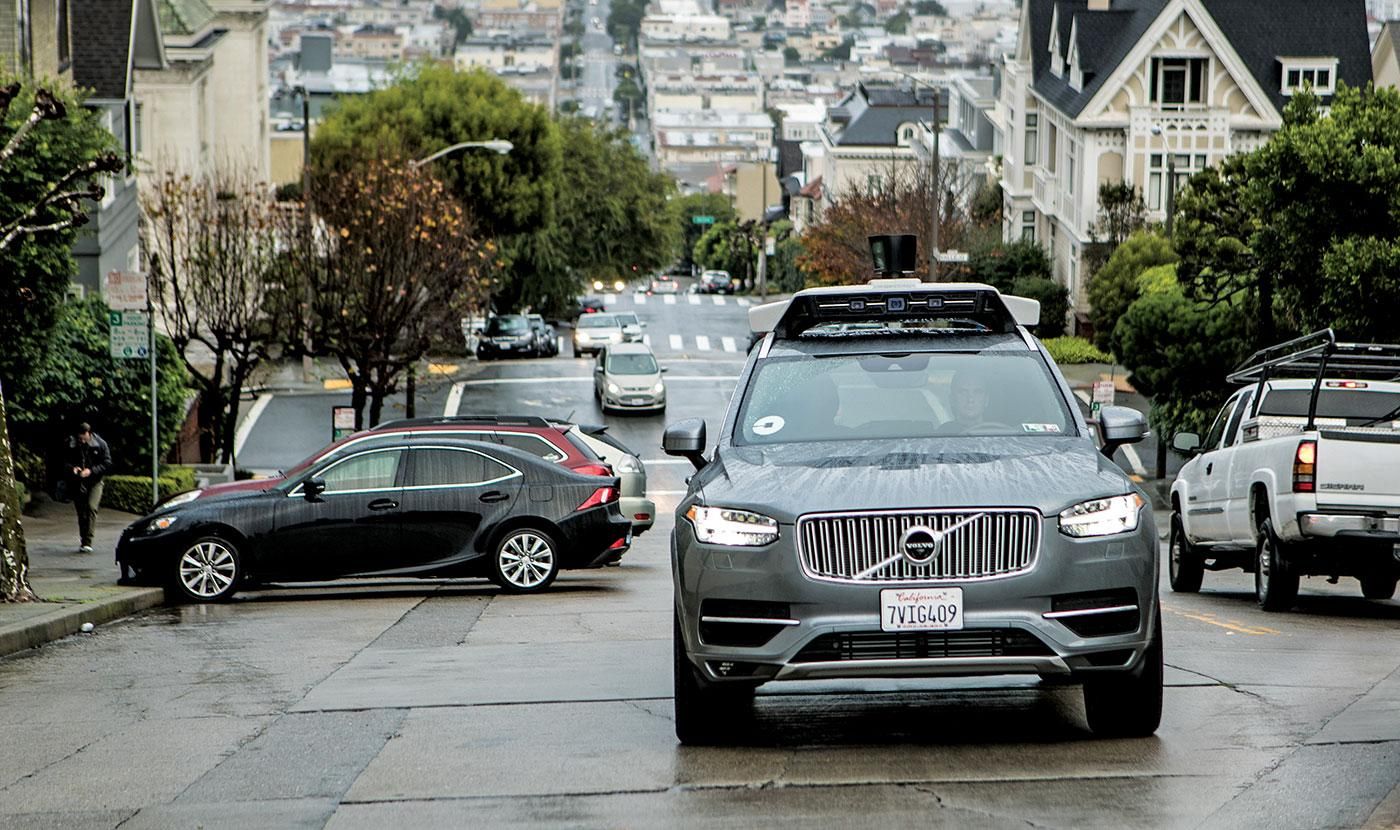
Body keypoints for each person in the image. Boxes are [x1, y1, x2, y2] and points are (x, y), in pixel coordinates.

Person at [65, 423, 112, 553]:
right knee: (81, 512)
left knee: (91, 507)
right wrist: (73, 468)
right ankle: (83, 539)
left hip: (95, 481)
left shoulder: (100, 444)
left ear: (89, 434)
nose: (81, 441)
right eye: (79, 438)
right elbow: (64, 461)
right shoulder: (71, 444)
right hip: (79, 482)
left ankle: (88, 540)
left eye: (83, 438)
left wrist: (91, 471)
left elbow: (107, 463)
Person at [937, 370, 995, 435]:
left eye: (977, 392)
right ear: (952, 399)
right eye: (963, 392)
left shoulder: (998, 433)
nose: (970, 399)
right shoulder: (940, 434)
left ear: (986, 400)